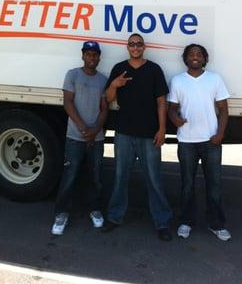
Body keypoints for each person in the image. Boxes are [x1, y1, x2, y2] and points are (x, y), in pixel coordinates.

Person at [102, 33, 172, 241]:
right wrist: (114, 85)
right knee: (120, 177)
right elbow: (108, 99)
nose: (135, 47)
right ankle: (114, 217)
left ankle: (162, 222)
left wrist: (162, 129)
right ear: (127, 47)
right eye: (132, 44)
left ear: (144, 47)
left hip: (149, 135)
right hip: (124, 133)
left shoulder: (154, 70)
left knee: (154, 179)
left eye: (138, 44)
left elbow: (162, 102)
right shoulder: (118, 68)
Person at [168, 44, 231, 241]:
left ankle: (217, 224)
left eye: (199, 54)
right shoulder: (178, 81)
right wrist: (174, 119)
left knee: (214, 185)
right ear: (185, 59)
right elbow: (171, 108)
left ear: (205, 59)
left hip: (211, 141)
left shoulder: (214, 79)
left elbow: (223, 110)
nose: (195, 57)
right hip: (186, 142)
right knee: (187, 185)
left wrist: (219, 134)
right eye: (191, 54)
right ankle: (186, 222)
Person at [51, 41, 108, 235]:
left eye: (95, 55)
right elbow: (68, 103)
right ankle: (61, 213)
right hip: (75, 136)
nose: (92, 58)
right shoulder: (73, 74)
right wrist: (84, 129)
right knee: (69, 176)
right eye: (88, 54)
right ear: (83, 56)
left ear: (99, 58)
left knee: (96, 176)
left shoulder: (103, 80)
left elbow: (104, 109)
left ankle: (95, 209)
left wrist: (95, 130)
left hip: (96, 137)